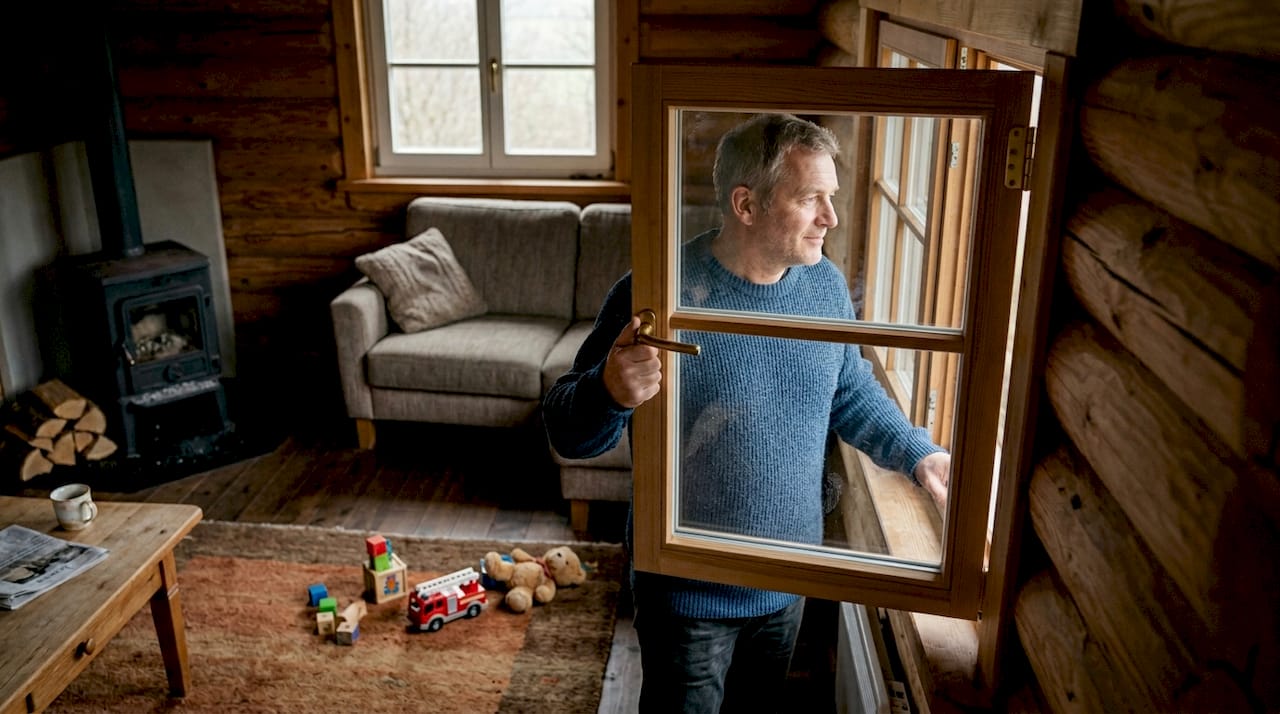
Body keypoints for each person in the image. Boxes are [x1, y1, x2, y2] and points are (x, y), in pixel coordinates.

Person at [543, 113, 950, 713]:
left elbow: (848, 391)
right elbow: (566, 431)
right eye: (812, 198)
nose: (830, 218)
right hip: (684, 594)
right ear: (747, 204)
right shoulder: (656, 290)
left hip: (787, 583)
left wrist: (921, 453)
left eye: (830, 198)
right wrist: (608, 390)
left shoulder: (825, 288)